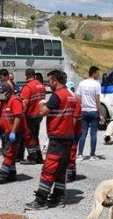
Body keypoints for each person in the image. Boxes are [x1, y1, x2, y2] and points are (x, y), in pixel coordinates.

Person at [25, 70, 78, 210]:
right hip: (68, 137)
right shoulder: (71, 96)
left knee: (49, 168)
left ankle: (41, 200)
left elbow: (42, 112)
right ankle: (58, 197)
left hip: (57, 137)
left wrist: (41, 103)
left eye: (50, 81)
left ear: (55, 80)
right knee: (61, 169)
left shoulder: (57, 96)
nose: (49, 84)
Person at [0, 82, 26, 185]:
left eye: (1, 93)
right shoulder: (3, 101)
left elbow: (18, 117)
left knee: (9, 153)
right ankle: (11, 174)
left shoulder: (15, 101)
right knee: (8, 153)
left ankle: (2, 175)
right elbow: (2, 116)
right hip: (6, 131)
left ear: (8, 92)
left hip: (14, 132)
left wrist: (13, 132)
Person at [19, 68, 46, 165]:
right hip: (39, 114)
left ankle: (32, 157)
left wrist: (21, 115)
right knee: (35, 136)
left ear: (26, 76)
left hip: (30, 115)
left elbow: (25, 103)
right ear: (34, 75)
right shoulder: (41, 85)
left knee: (29, 136)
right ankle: (38, 156)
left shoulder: (27, 87)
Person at [77, 66, 103, 160]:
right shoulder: (97, 84)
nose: (99, 75)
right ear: (94, 73)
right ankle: (92, 154)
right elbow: (97, 101)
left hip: (84, 110)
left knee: (83, 133)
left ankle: (80, 154)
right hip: (93, 111)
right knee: (93, 134)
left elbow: (78, 98)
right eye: (98, 73)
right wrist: (100, 114)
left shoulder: (81, 83)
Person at [66, 89, 82, 182]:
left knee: (72, 151)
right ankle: (71, 171)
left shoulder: (76, 103)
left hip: (74, 132)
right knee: (70, 151)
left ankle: (70, 173)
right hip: (72, 131)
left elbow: (75, 119)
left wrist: (69, 131)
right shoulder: (74, 102)